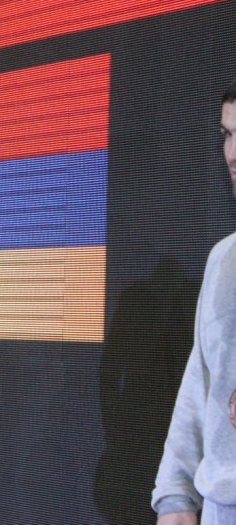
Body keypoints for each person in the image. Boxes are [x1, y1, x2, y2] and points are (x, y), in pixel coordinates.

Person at [152, 81, 236, 524]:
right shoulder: (223, 260)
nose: (233, 154)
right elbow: (199, 385)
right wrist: (175, 495)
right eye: (228, 134)